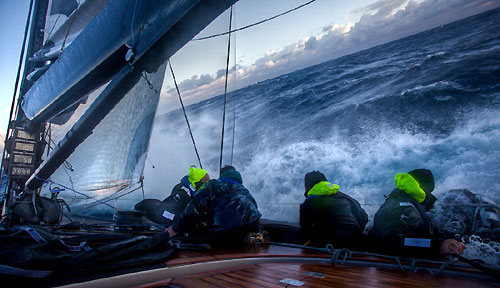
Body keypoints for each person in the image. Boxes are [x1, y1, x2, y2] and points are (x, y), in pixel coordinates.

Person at [371, 169, 466, 257]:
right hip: (398, 267)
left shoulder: (395, 199)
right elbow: (392, 242)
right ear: (424, 189)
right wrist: (439, 246)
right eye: (430, 191)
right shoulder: (405, 209)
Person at [165, 165, 262, 246]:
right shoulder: (245, 191)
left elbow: (195, 205)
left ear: (222, 175)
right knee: (245, 233)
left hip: (223, 232)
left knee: (205, 225)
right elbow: (255, 210)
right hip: (250, 227)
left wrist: (175, 229)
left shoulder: (213, 184)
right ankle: (259, 237)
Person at [300, 171, 368, 248]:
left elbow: (306, 232)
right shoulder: (346, 198)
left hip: (331, 246)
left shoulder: (307, 204)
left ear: (308, 187)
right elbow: (364, 217)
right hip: (357, 243)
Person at [135, 165, 210, 225]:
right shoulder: (182, 194)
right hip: (159, 215)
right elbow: (161, 211)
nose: (207, 185)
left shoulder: (194, 194)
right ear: (197, 182)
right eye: (206, 182)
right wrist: (181, 220)